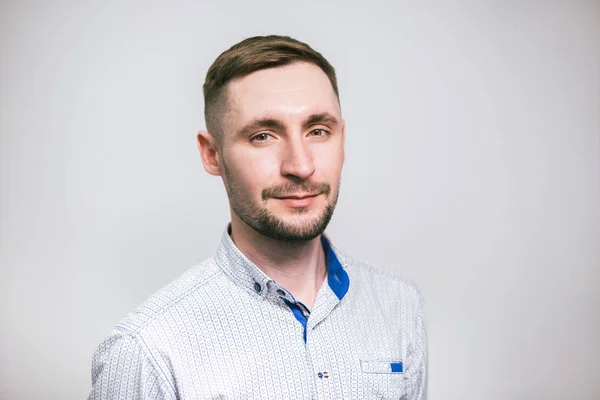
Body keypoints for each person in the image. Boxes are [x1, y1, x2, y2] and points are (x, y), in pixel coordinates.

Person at [88, 35, 427, 399]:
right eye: (263, 136)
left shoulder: (399, 306)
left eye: (318, 131)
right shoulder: (147, 351)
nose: (301, 166)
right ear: (212, 154)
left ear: (342, 139)